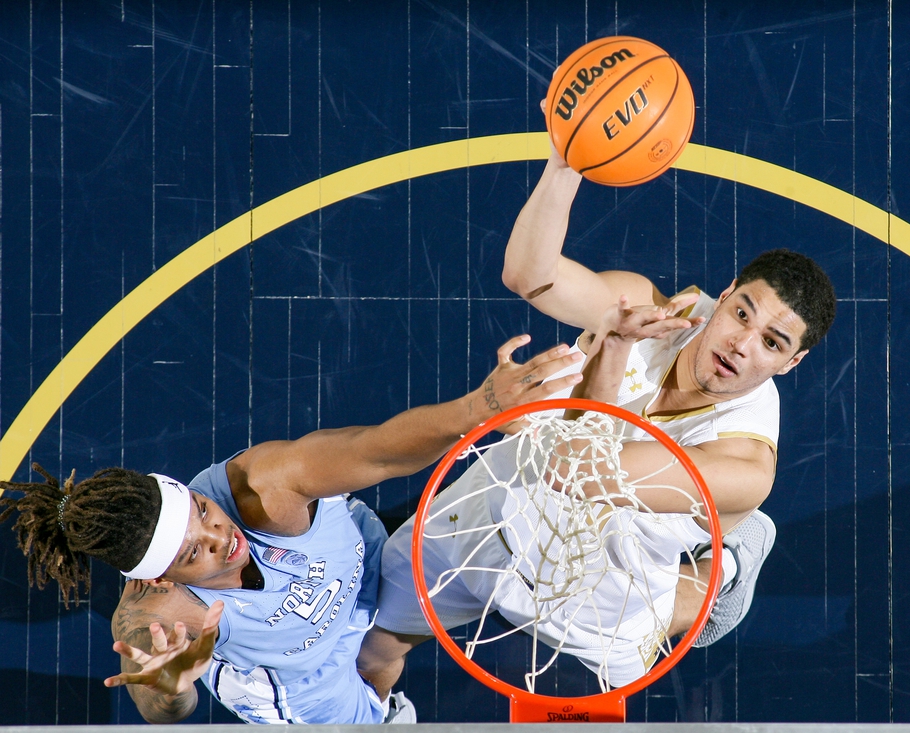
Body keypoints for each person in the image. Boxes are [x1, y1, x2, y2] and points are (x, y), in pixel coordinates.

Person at [357, 146, 837, 698]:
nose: (741, 344)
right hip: (493, 512)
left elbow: (573, 471)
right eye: (742, 314)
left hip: (607, 583)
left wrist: (608, 352)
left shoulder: (744, 468)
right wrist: (564, 165)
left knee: (671, 607)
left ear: (790, 364)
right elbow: (527, 275)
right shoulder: (651, 305)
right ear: (723, 297)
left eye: (772, 343)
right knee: (377, 644)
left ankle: (726, 563)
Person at [0, 334, 583, 725]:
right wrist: (174, 682)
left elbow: (375, 451)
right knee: (373, 701)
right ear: (160, 579)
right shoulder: (160, 614)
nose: (217, 536)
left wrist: (478, 405)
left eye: (202, 513)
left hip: (365, 576)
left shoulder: (259, 489)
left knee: (387, 651)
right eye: (193, 554)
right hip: (305, 684)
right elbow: (158, 702)